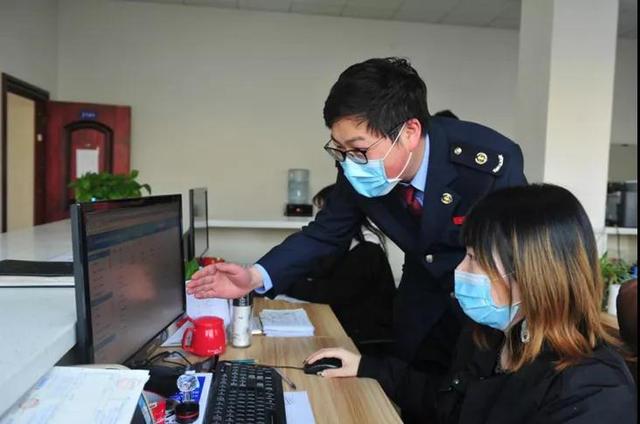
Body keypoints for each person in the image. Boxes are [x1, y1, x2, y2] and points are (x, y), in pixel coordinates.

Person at [187, 57, 527, 367]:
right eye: (341, 149)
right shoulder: (360, 167)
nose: (350, 162)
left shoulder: (487, 163)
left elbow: (521, 255)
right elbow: (326, 233)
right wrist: (255, 277)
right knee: (408, 392)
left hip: (485, 309)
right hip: (419, 300)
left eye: (359, 148)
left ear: (409, 132)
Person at [305, 184, 637, 424]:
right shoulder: (492, 338)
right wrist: (367, 367)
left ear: (531, 274)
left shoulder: (592, 390)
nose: (460, 270)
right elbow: (447, 401)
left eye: (475, 259)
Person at [279, 184, 396, 348]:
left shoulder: (367, 250)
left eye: (325, 212)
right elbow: (317, 269)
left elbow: (329, 293)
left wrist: (285, 284)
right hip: (345, 325)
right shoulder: (344, 243)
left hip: (364, 337)